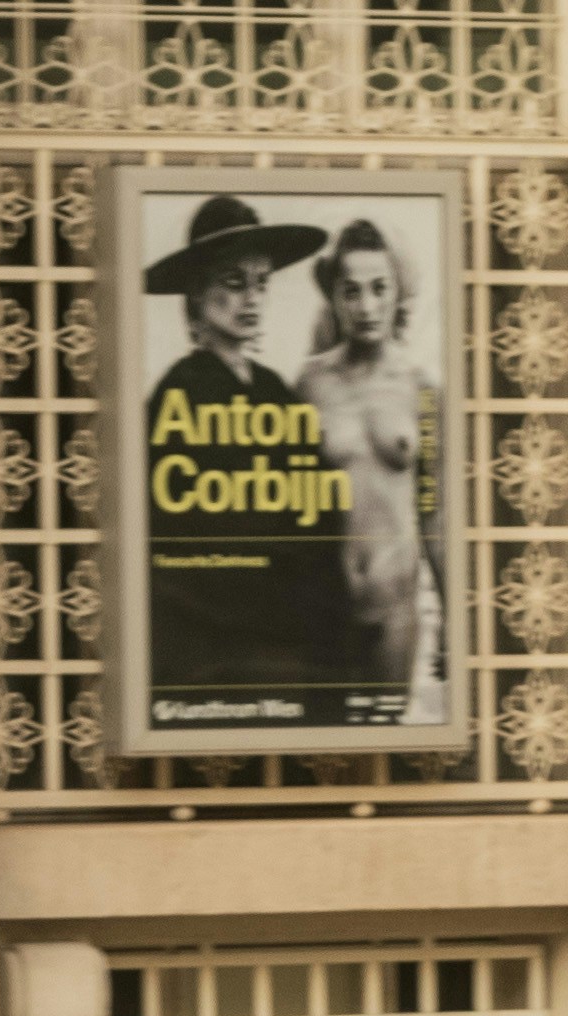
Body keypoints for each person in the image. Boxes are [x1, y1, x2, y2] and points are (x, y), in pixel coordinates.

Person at [137, 192, 354, 704]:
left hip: (292, 642)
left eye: (261, 284)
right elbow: (177, 545)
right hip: (213, 653)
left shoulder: (276, 392)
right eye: (234, 284)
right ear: (196, 291)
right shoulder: (178, 395)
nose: (252, 299)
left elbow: (319, 513)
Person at [300, 217, 445, 719]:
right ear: (335, 298)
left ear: (396, 291)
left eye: (379, 288)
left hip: (395, 608)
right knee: (324, 748)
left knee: (380, 738)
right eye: (352, 291)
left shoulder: (421, 387)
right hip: (325, 607)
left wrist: (450, 616)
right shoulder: (311, 383)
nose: (367, 306)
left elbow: (436, 511)